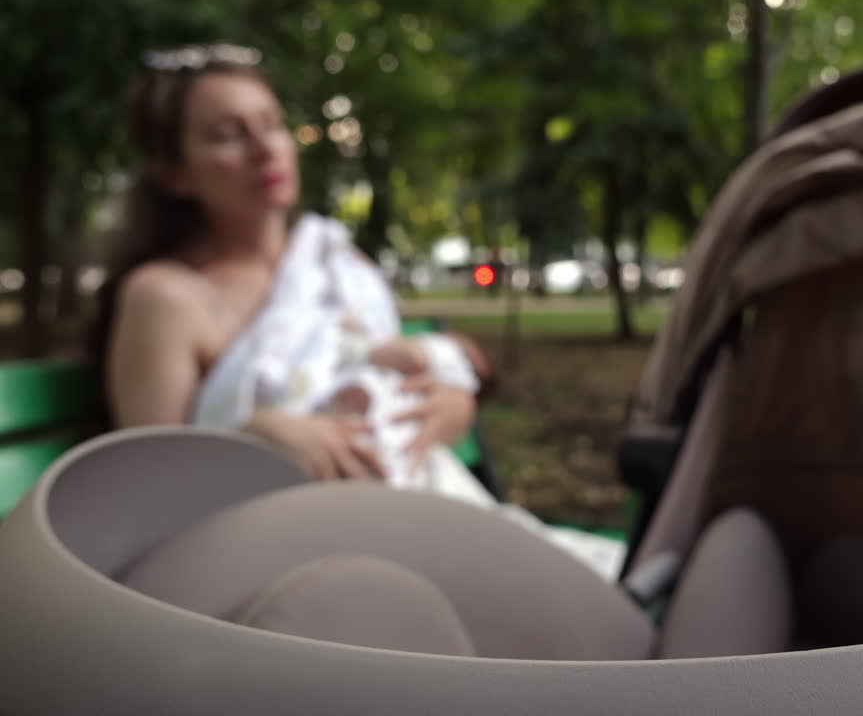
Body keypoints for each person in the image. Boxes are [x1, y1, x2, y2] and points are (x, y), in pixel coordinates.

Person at [88, 44, 623, 579]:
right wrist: (253, 438)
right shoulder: (165, 297)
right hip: (287, 556)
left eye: (272, 125)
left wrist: (449, 406)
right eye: (228, 135)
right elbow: (152, 491)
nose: (264, 149)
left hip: (410, 507)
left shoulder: (338, 265)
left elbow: (385, 375)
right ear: (174, 174)